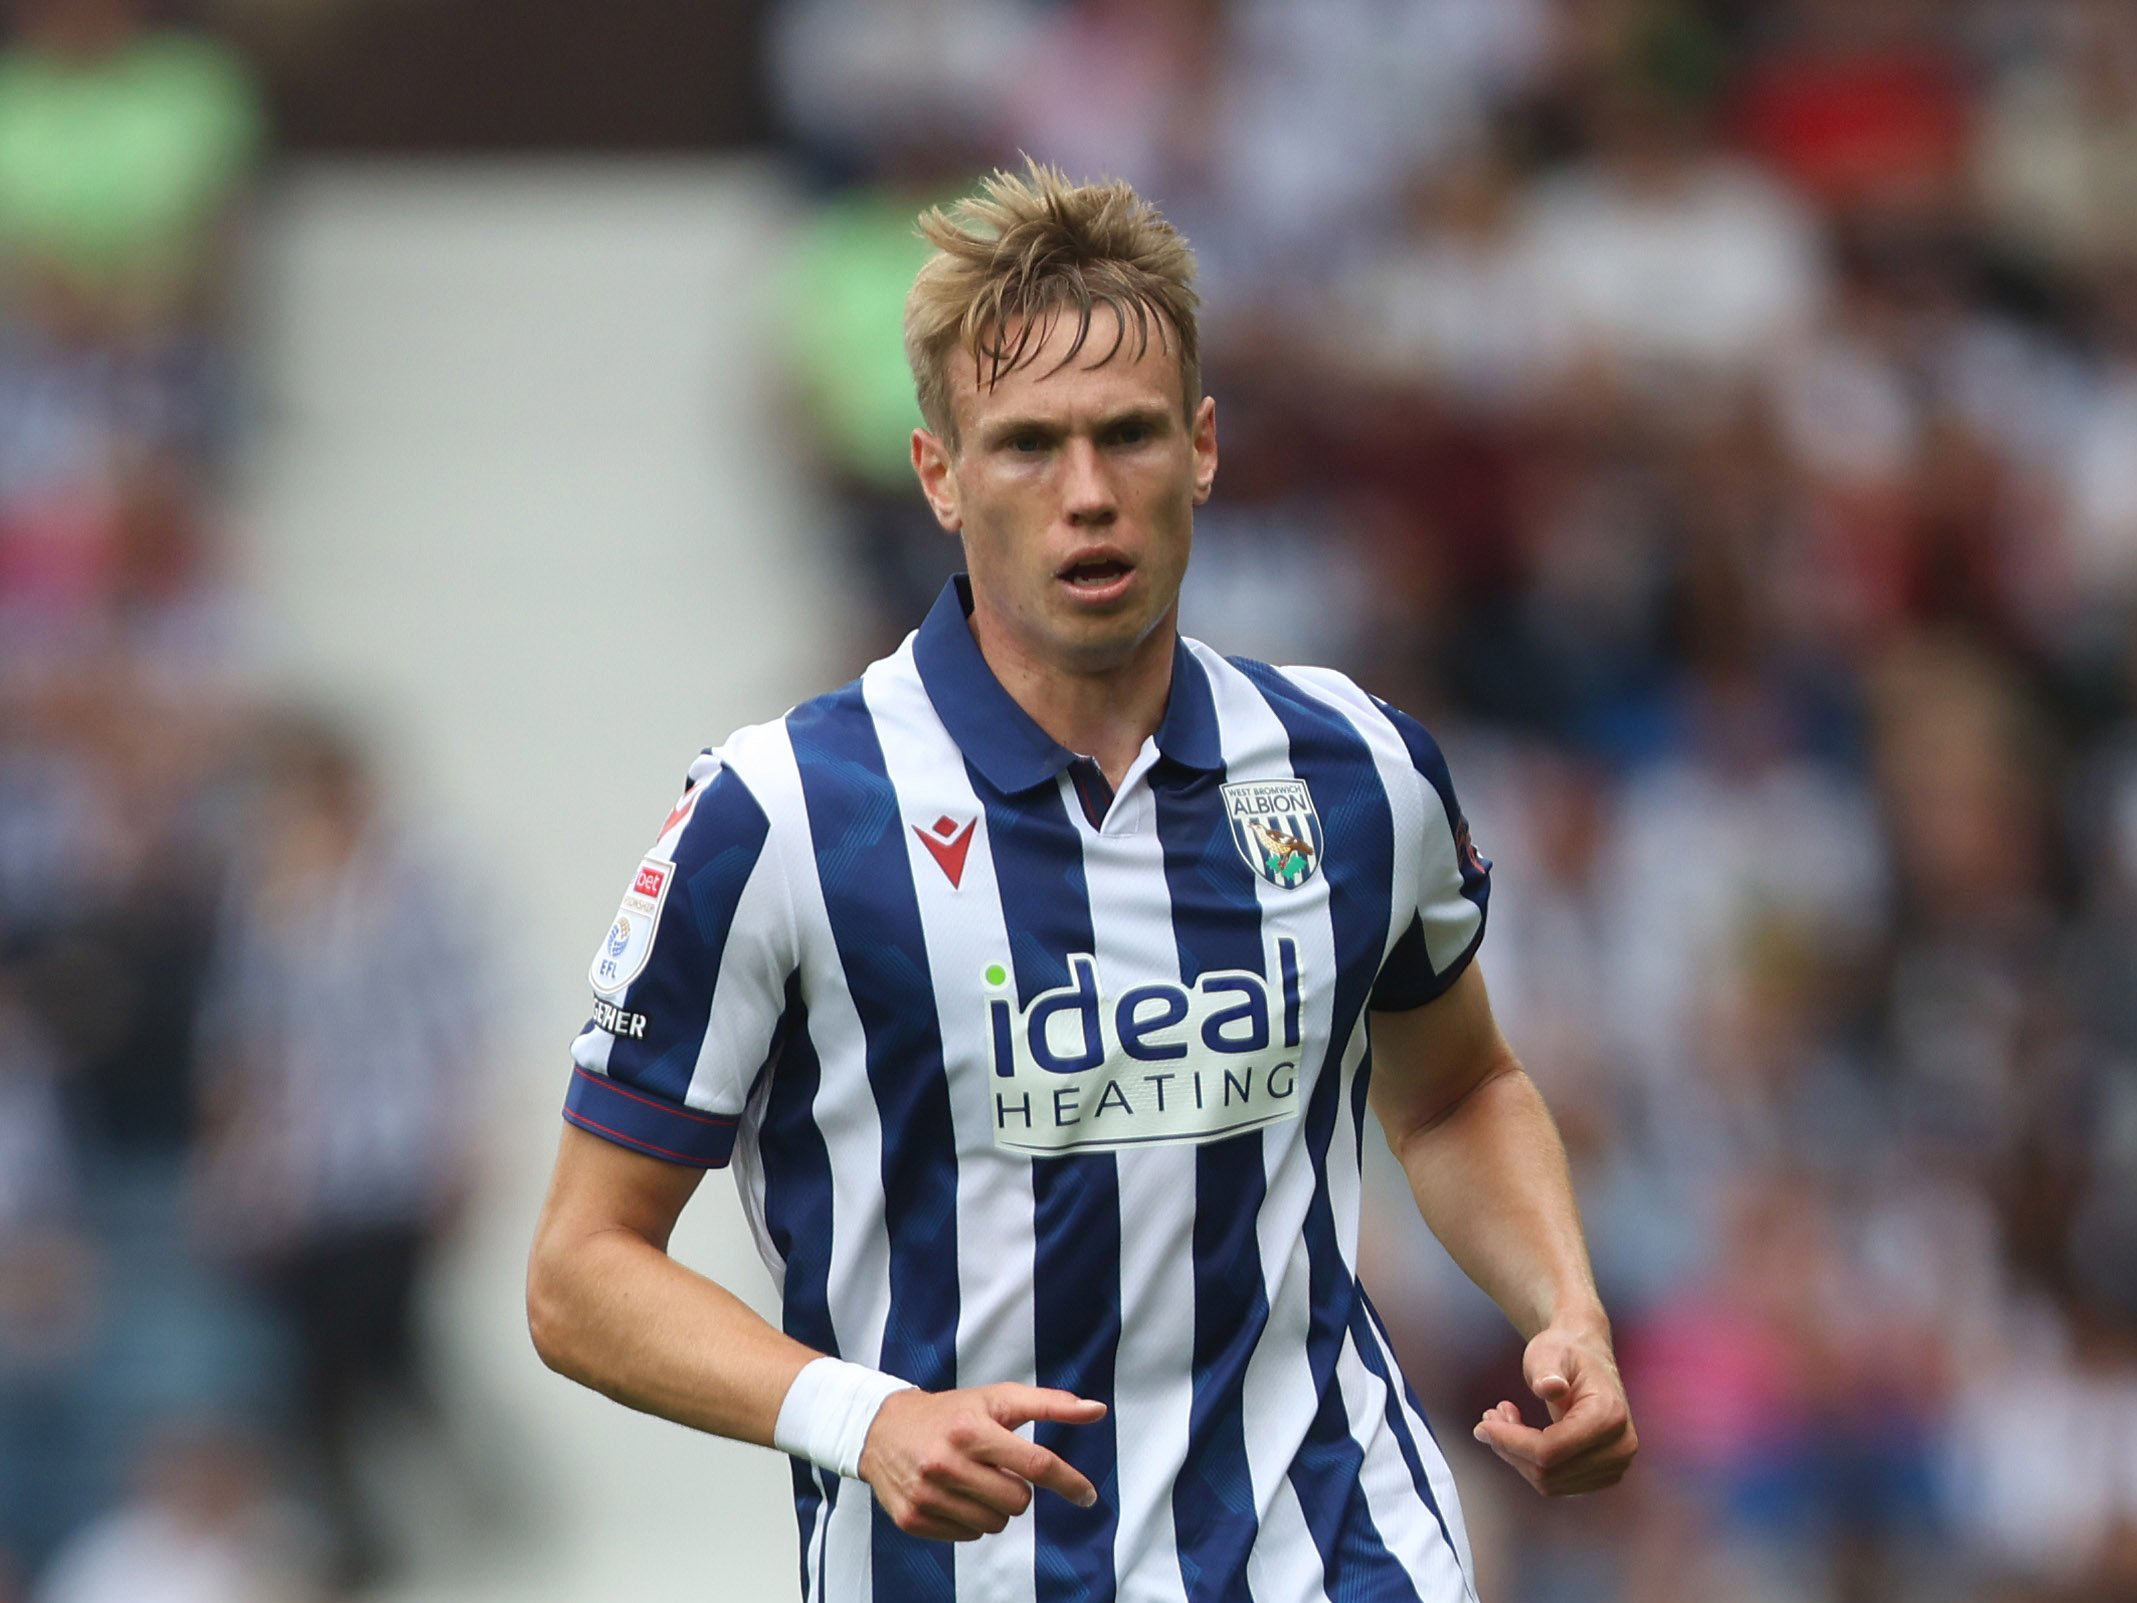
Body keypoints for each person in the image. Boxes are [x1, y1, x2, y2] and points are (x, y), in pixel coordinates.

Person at [527, 160, 1637, 1602]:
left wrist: (1566, 1311)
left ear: (1204, 448)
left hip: (1340, 1555)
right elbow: (579, 1273)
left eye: (1126, 437)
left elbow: (1453, 1087)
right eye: (1027, 446)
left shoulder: (1355, 768)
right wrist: (863, 1420)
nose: (1088, 497)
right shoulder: (781, 815)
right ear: (938, 475)